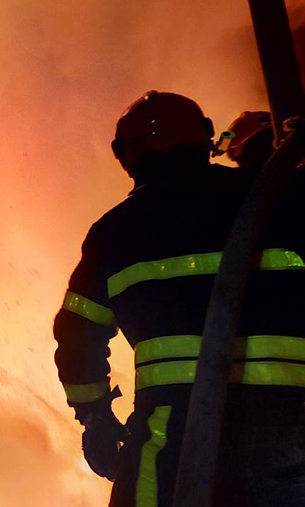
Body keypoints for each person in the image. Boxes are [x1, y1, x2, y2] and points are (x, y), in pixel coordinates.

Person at [53, 91, 305, 506]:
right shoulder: (279, 198)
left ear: (123, 153)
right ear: (206, 135)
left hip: (169, 436)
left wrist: (95, 418)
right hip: (291, 428)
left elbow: (78, 335)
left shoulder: (113, 233)